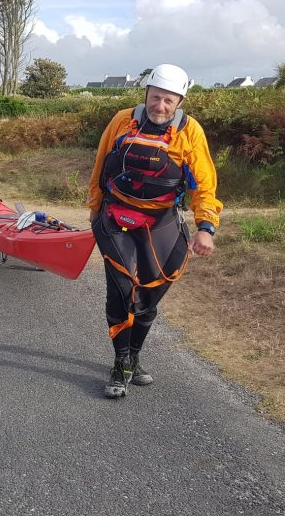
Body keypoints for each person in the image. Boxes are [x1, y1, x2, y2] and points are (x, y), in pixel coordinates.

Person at [86, 63, 223, 399]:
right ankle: (120, 363)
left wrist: (206, 227)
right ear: (146, 93)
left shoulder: (190, 132)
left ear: (179, 103)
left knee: (150, 294)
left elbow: (204, 184)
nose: (160, 106)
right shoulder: (122, 120)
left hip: (160, 220)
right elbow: (102, 162)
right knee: (121, 289)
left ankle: (134, 354)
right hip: (116, 218)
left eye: (168, 101)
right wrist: (94, 208)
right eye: (156, 97)